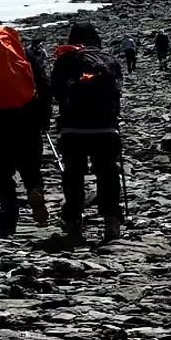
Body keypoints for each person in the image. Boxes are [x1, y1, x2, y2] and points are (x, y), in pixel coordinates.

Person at [0, 19, 49, 235]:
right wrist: (44, 118)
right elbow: (43, 84)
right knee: (31, 165)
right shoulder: (23, 55)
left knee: (2, 173)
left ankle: (9, 217)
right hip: (27, 119)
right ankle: (35, 191)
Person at [50, 15, 123, 243]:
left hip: (73, 129)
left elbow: (56, 93)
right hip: (106, 129)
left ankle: (73, 224)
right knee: (108, 174)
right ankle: (111, 223)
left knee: (73, 177)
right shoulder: (108, 59)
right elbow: (117, 91)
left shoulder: (65, 60)